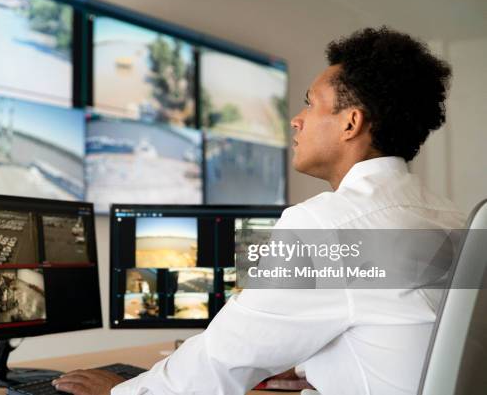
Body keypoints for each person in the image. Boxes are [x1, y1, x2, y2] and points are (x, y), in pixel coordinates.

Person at [52, 27, 465, 395]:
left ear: (350, 123)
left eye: (310, 104)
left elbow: (220, 361)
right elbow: (399, 337)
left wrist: (120, 391)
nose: (295, 121)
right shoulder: (450, 218)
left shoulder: (326, 225)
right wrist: (318, 364)